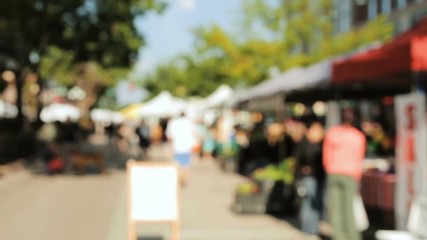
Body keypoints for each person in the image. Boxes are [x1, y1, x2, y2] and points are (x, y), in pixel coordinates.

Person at [323, 108, 366, 240]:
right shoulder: (358, 136)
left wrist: (329, 169)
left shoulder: (332, 133)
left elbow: (326, 157)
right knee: (349, 209)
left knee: (335, 209)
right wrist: (358, 178)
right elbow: (359, 158)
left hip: (334, 172)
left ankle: (338, 236)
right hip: (350, 174)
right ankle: (352, 236)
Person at [295, 120, 325, 237]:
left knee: (314, 202)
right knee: (310, 201)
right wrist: (303, 169)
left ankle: (313, 227)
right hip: (308, 177)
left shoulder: (321, 143)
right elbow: (298, 160)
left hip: (318, 176)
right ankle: (309, 227)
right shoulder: (304, 143)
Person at [166, 112, 196, 185]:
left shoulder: (173, 122)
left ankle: (179, 181)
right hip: (187, 146)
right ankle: (186, 180)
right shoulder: (189, 122)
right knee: (186, 165)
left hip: (176, 146)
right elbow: (194, 133)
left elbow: (169, 135)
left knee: (177, 165)